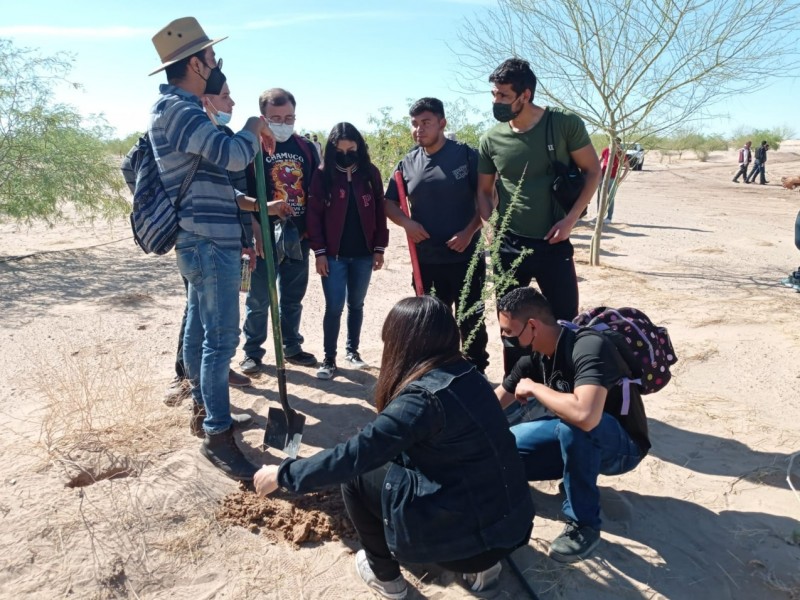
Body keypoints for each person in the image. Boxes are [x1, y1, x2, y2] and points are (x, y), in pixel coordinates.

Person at [254, 296, 535, 599]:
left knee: (358, 477)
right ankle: (483, 567)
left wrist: (284, 474)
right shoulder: (471, 375)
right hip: (512, 528)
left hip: (468, 545)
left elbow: (352, 457)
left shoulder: (421, 401)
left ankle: (386, 578)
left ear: (402, 343)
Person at [145, 17, 275, 480]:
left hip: (205, 241)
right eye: (212, 57)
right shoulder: (179, 112)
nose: (216, 63)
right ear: (197, 63)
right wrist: (252, 127)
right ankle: (218, 436)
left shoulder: (179, 109)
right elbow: (235, 156)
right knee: (220, 341)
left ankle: (205, 412)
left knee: (201, 333)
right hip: (206, 242)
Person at [493, 287, 650, 563]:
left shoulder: (588, 346)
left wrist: (535, 388)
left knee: (575, 425)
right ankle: (576, 476)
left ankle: (583, 525)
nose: (505, 338)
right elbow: (493, 405)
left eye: (508, 331)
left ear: (532, 326)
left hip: (621, 445)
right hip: (570, 434)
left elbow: (586, 416)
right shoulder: (533, 356)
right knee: (498, 455)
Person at [477, 58, 601, 375]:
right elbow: (483, 190)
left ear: (526, 94)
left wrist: (571, 219)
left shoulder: (564, 124)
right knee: (510, 324)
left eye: (504, 95)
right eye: (494, 94)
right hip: (509, 246)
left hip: (554, 241)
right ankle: (515, 390)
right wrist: (490, 225)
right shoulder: (491, 139)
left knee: (564, 320)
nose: (496, 102)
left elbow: (592, 172)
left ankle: (562, 384)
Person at [385, 97, 489, 373]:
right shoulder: (406, 163)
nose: (419, 129)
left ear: (442, 123)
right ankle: (439, 371)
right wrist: (406, 223)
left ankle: (475, 370)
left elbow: (488, 199)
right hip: (427, 261)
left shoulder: (467, 156)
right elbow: (389, 203)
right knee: (432, 321)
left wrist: (469, 232)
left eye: (426, 122)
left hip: (466, 257)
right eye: (415, 124)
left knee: (470, 319)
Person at [240, 88, 320, 375]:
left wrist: (309, 231)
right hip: (262, 235)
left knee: (292, 297)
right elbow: (239, 195)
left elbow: (314, 191)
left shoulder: (307, 148)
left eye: (289, 117)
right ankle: (252, 353)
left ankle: (291, 347)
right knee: (259, 297)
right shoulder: (249, 148)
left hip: (297, 236)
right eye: (276, 118)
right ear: (263, 117)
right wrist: (255, 228)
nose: (283, 123)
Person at [307, 123, 389, 379]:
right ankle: (329, 359)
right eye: (340, 151)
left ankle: (352, 352)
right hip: (334, 256)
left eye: (351, 149)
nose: (346, 155)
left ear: (359, 146)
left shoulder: (370, 173)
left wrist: (379, 248)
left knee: (357, 304)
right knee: (334, 307)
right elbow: (314, 215)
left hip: (364, 254)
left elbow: (379, 211)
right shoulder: (323, 174)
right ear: (332, 150)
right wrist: (319, 252)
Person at [597, 139, 623, 223]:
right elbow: (598, 161)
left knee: (610, 197)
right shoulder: (606, 150)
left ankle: (609, 217)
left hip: (612, 178)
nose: (614, 145)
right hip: (602, 177)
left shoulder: (620, 153)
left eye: (617, 143)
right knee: (600, 197)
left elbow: (626, 166)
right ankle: (599, 216)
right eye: (613, 143)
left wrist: (621, 178)